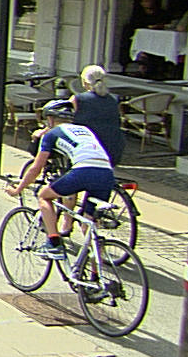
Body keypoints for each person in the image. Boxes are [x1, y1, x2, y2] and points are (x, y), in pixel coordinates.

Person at [8, 99, 117, 259]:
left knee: (44, 196)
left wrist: (18, 189)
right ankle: (97, 270)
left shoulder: (51, 134)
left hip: (84, 170)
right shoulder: (85, 129)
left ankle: (54, 243)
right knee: (88, 225)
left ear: (50, 119)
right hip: (107, 173)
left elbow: (36, 168)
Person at [70, 64, 125, 167]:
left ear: (84, 82)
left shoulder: (78, 99)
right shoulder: (112, 100)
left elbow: (67, 120)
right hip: (113, 147)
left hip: (88, 148)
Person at [120, 0, 174, 76]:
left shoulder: (161, 13)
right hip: (142, 39)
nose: (148, 3)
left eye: (149, 1)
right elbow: (134, 26)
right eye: (145, 1)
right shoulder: (138, 15)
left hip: (158, 38)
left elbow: (167, 24)